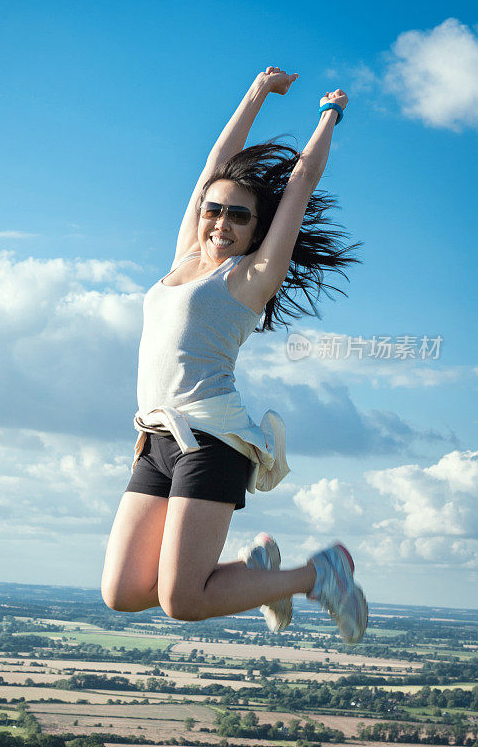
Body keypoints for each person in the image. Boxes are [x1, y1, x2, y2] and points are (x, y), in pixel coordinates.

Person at [100, 66, 368, 644]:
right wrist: (256, 93)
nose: (220, 221)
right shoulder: (182, 259)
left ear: (255, 230)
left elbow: (298, 188)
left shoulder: (249, 277)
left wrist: (329, 116)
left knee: (182, 602)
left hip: (213, 444)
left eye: (239, 216)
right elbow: (212, 170)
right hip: (156, 441)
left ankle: (318, 574)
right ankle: (257, 576)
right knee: (122, 593)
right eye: (214, 210)